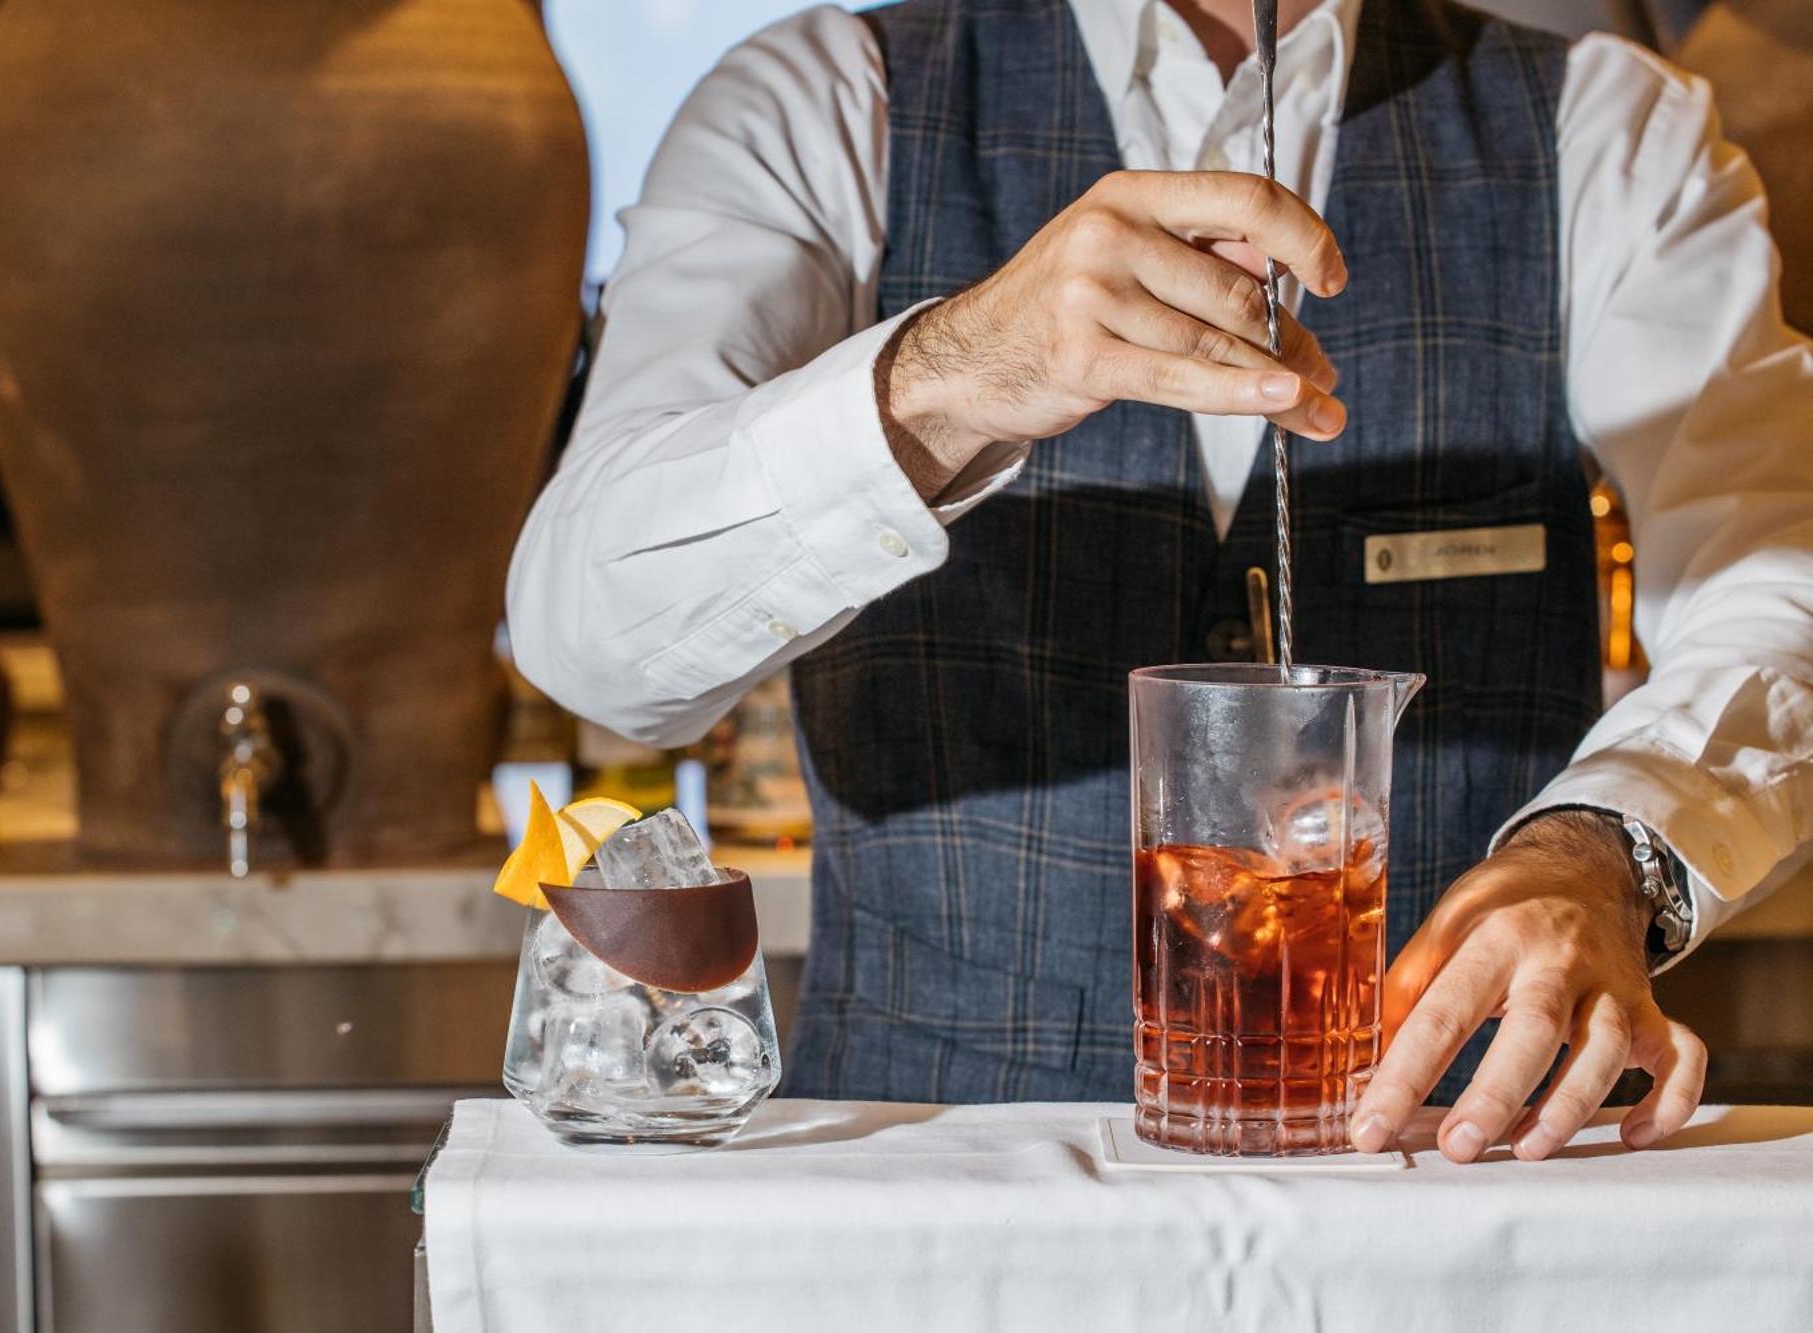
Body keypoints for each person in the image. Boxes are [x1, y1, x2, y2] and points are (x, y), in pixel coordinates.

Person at [507, 0, 1813, 1164]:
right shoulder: (824, 101)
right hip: (928, 1202)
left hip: (1446, 1189)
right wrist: (954, 376)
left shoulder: (1607, 131)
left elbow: (1779, 572)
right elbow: (591, 640)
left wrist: (1605, 848)